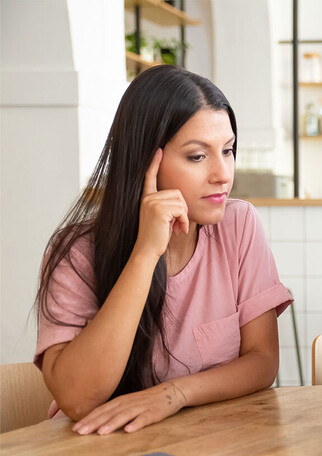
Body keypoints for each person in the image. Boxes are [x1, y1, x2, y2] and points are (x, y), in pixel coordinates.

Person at [35, 65, 292, 435]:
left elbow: (263, 361)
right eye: (197, 156)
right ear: (144, 160)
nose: (223, 174)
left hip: (208, 441)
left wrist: (173, 395)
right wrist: (145, 253)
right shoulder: (75, 253)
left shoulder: (239, 226)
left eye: (228, 150)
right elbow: (77, 400)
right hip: (100, 449)